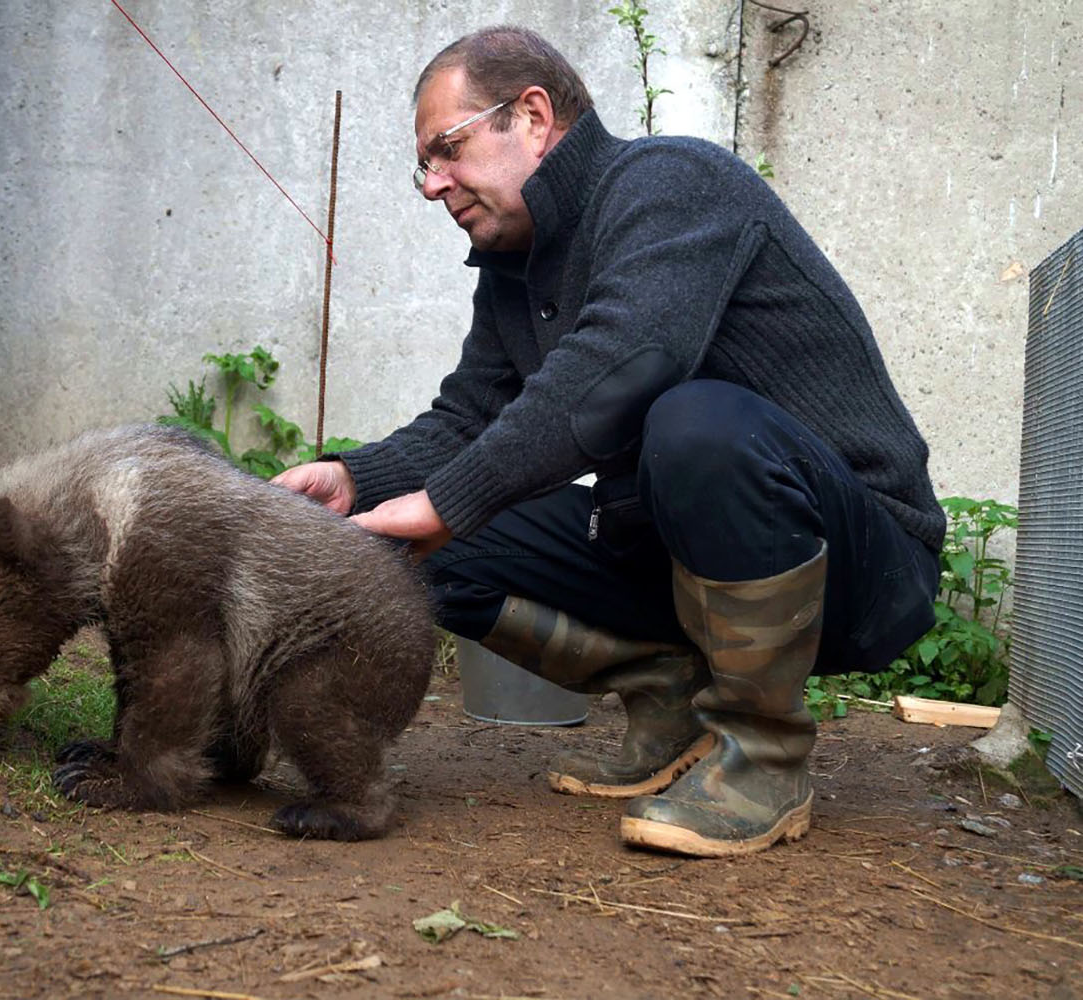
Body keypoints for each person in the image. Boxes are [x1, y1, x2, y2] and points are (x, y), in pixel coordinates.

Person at [273, 24, 945, 858]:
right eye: (425, 164)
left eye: (446, 149)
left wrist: (448, 499)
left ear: (531, 114)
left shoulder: (672, 183)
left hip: (857, 559)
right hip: (677, 555)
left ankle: (764, 761)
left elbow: (625, 367)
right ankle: (669, 696)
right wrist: (355, 477)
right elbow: (468, 420)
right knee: (408, 544)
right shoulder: (515, 268)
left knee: (693, 418)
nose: (432, 185)